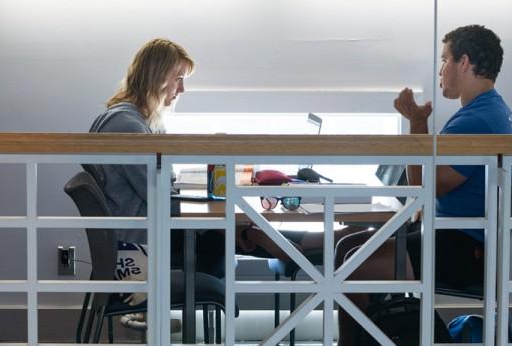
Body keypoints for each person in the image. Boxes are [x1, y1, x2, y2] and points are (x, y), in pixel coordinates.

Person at [289, 24, 512, 346]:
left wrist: (416, 125)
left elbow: (424, 186)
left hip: (460, 248)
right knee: (348, 246)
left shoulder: (477, 121)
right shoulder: (490, 110)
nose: (440, 70)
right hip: (455, 237)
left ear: (464, 62)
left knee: (353, 262)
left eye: (444, 60)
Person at [87, 38, 350, 279]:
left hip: (150, 230)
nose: (182, 89)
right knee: (235, 232)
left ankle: (312, 244)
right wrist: (223, 226)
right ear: (156, 78)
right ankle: (310, 248)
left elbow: (160, 188)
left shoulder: (131, 120)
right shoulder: (128, 126)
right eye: (178, 79)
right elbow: (159, 198)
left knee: (236, 228)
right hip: (144, 242)